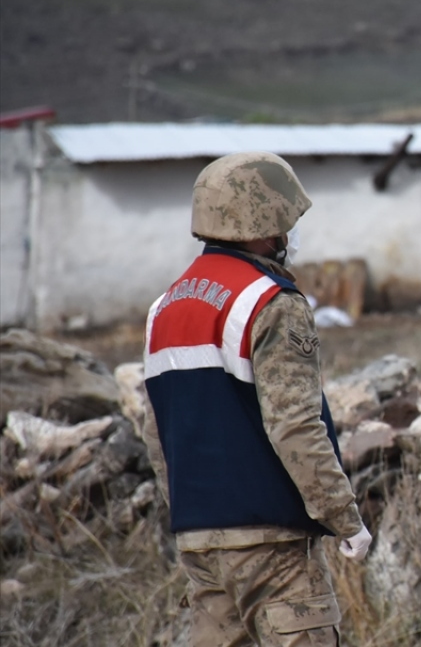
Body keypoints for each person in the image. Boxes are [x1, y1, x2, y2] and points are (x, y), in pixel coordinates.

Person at [141, 151, 371, 647]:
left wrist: (189, 513)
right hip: (274, 547)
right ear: (267, 223)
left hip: (199, 544)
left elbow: (156, 433)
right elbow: (295, 425)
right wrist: (343, 516)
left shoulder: (164, 309)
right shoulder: (270, 302)